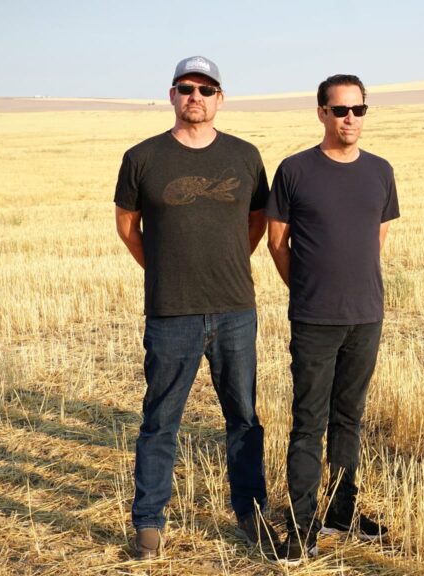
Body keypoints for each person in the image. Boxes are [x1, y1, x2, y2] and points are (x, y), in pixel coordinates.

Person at [114, 56, 273, 560]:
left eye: (206, 89)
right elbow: (127, 226)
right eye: (186, 88)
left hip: (234, 310)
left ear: (220, 98)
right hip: (171, 312)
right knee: (160, 419)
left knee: (244, 417)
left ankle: (251, 513)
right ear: (172, 95)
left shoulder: (245, 156)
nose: (196, 97)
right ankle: (149, 522)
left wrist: (226, 263)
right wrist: (163, 269)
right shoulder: (142, 158)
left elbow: (257, 222)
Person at [266, 74, 399, 564]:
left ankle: (343, 511)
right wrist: (305, 289)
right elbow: (277, 242)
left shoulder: (381, 171)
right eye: (340, 110)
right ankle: (301, 530)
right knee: (308, 423)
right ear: (321, 112)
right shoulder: (295, 170)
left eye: (358, 110)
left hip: (366, 316)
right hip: (314, 318)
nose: (349, 119)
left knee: (351, 418)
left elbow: (378, 237)